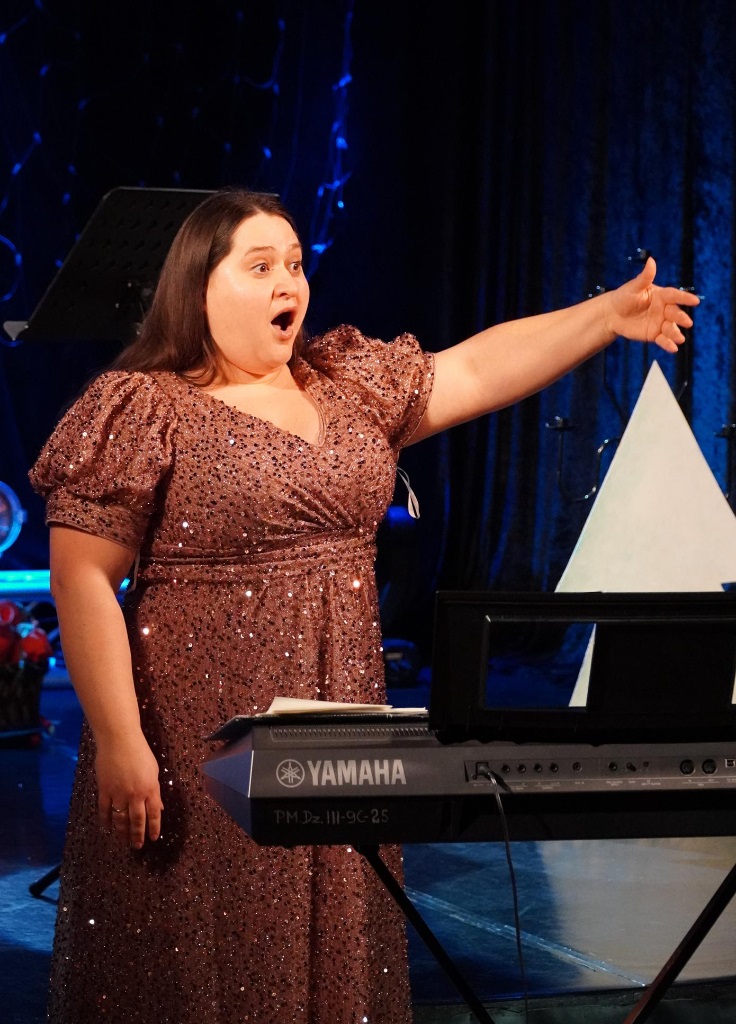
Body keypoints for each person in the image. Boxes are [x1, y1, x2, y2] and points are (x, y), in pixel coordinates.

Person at [29, 187, 698, 1024]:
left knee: (328, 930)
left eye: (295, 264)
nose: (289, 283)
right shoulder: (142, 406)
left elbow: (473, 368)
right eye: (260, 267)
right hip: (195, 730)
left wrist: (604, 316)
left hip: (334, 717)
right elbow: (83, 579)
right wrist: (123, 740)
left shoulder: (344, 382)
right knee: (201, 954)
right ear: (197, 287)